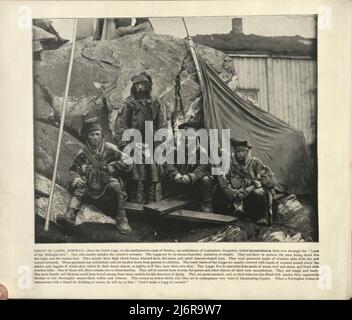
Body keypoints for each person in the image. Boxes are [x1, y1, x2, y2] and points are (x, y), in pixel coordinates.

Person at [56, 118, 134, 233]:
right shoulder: (82, 154)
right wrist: (77, 180)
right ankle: (70, 215)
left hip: (108, 185)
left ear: (101, 135)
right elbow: (73, 171)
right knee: (81, 187)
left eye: (98, 134)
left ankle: (122, 219)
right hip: (91, 187)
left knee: (116, 186)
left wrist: (115, 165)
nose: (96, 137)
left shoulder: (110, 149)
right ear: (88, 136)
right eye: (92, 135)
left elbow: (129, 161)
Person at [114, 72, 166, 203]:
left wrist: (160, 142)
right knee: (135, 168)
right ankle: (133, 197)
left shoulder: (155, 103)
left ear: (148, 86)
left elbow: (161, 123)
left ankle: (151, 198)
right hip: (133, 139)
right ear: (134, 87)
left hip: (151, 139)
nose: (140, 87)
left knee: (152, 168)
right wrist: (124, 142)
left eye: (143, 84)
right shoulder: (129, 103)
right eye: (137, 84)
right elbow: (122, 123)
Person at [218, 140, 276, 225]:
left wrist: (252, 187)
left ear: (247, 152)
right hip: (239, 196)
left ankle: (261, 217)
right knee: (221, 192)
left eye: (243, 152)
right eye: (238, 152)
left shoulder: (255, 162)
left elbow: (270, 180)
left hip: (256, 196)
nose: (241, 154)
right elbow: (225, 182)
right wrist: (235, 193)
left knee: (258, 193)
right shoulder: (230, 165)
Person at [163, 120, 214, 212]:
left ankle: (207, 205)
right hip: (179, 184)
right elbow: (168, 164)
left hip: (194, 185)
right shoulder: (175, 150)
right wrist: (176, 174)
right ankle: (168, 203)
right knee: (165, 176)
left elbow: (204, 167)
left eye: (190, 136)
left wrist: (191, 176)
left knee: (206, 179)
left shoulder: (201, 151)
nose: (187, 139)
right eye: (185, 136)